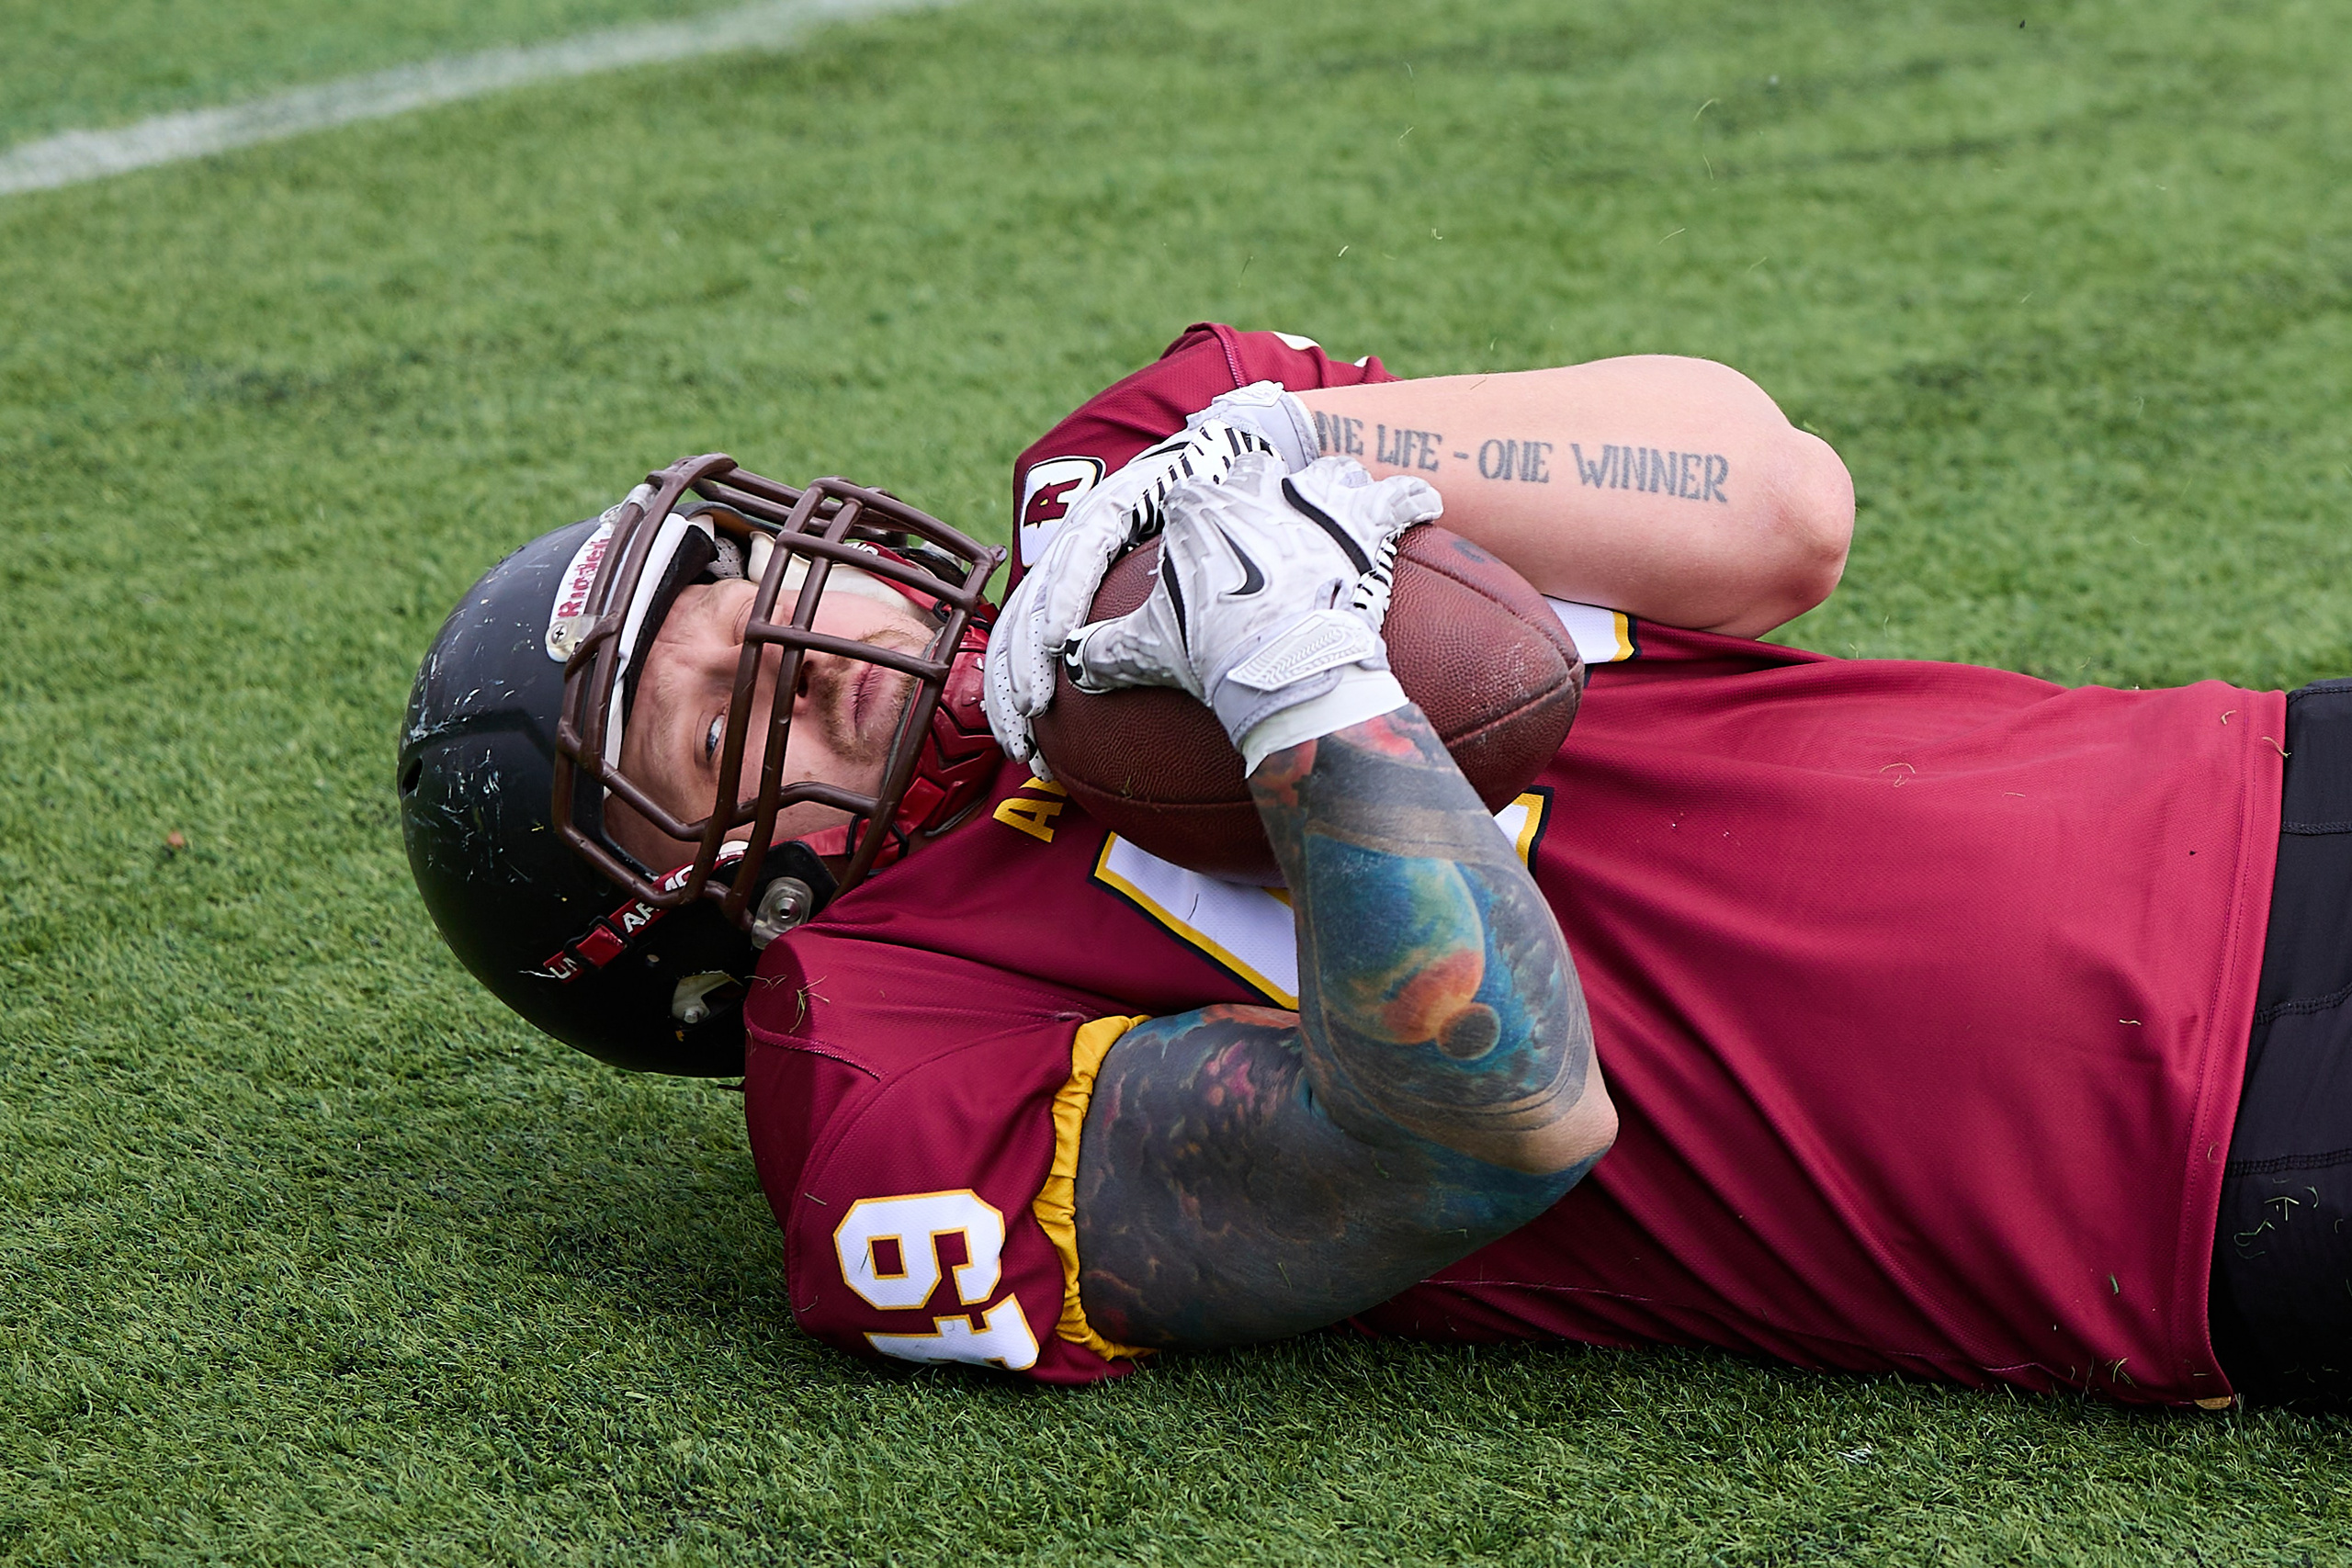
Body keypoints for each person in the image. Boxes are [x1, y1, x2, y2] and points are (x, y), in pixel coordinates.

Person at [399, 323, 2349, 1408]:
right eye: (703, 723)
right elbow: (1478, 1129)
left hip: (2252, 767)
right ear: (688, 927)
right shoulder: (874, 1063)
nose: (793, 639)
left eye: (746, 586)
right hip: (2202, 1156)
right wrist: (1305, 686)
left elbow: (1777, 511)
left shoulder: (1125, 470)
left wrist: (1269, 452)